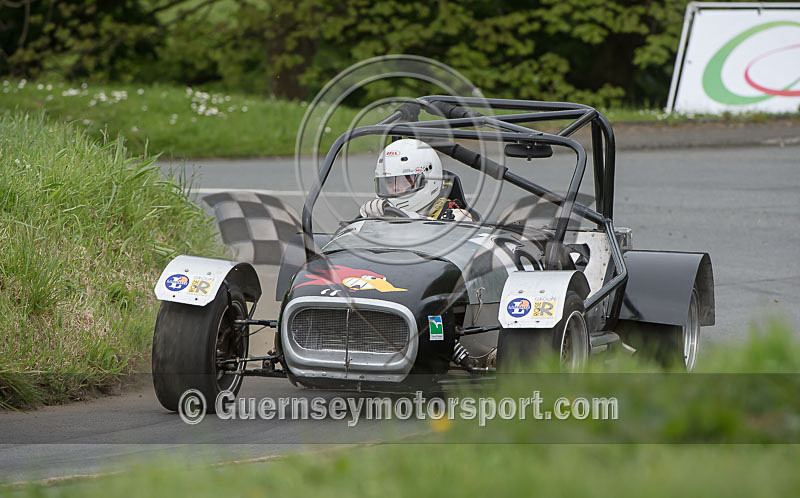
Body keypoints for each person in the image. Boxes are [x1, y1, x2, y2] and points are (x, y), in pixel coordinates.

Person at [359, 138, 475, 222]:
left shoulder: (460, 218)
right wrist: (365, 222)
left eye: (403, 182)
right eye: (388, 182)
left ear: (430, 180)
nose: (394, 188)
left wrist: (411, 220)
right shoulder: (378, 213)